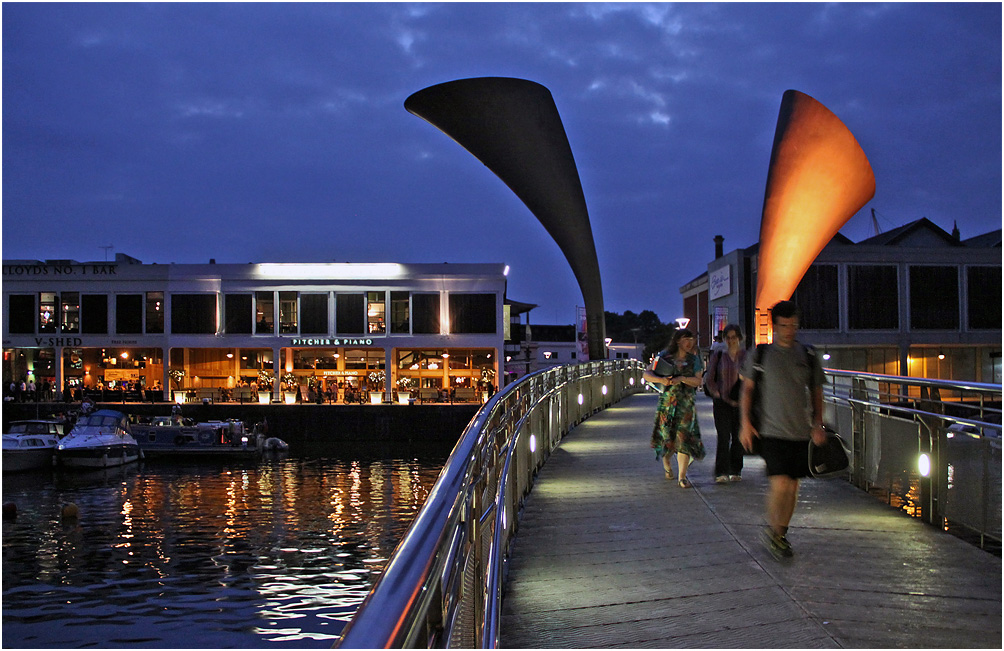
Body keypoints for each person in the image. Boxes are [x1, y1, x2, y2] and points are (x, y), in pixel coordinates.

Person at [739, 300, 825, 559]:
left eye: (793, 326)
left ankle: (780, 533)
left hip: (800, 431)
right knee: (780, 483)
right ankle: (775, 532)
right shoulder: (761, 354)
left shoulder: (808, 355)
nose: (789, 331)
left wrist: (818, 423)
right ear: (774, 326)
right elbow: (747, 390)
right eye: (784, 326)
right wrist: (745, 423)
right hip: (771, 430)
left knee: (793, 487)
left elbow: (818, 391)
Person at [643, 328, 706, 488]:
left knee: (684, 439)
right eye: (686, 339)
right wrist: (661, 380)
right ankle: (667, 466)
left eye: (691, 339)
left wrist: (683, 378)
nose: (689, 342)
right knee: (668, 440)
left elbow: (698, 381)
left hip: (686, 405)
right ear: (678, 340)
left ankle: (682, 477)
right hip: (667, 405)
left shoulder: (694, 360)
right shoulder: (665, 356)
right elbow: (646, 374)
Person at [705, 323, 747, 484]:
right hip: (722, 402)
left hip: (741, 402)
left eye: (734, 337)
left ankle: (736, 469)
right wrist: (717, 393)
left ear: (739, 338)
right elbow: (710, 377)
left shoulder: (746, 356)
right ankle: (721, 471)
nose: (731, 341)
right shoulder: (719, 355)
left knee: (737, 437)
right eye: (728, 338)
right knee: (723, 436)